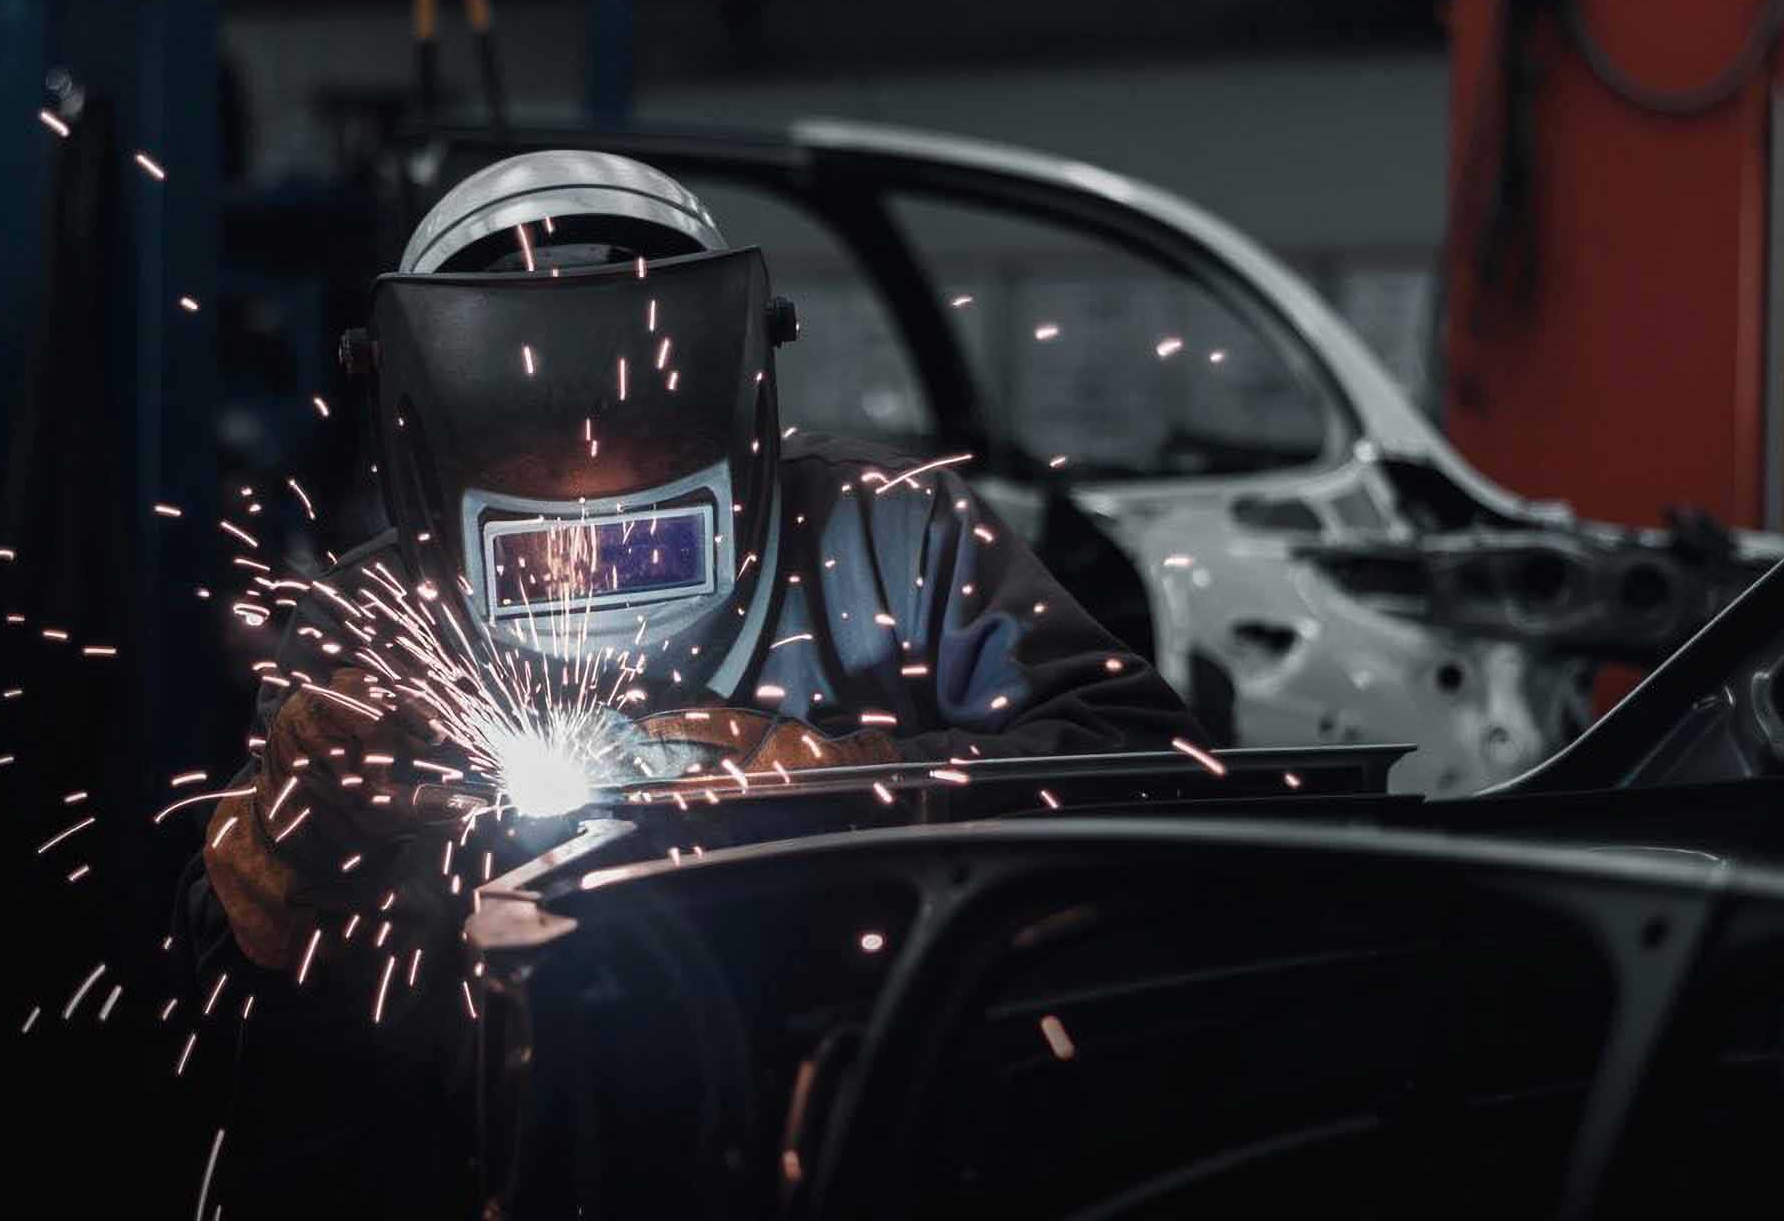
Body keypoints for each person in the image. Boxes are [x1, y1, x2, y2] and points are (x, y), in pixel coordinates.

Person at [177, 149, 1200, 1210]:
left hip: (850, 1128)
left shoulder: (889, 529)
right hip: (508, 1153)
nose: (587, 475)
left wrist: (862, 784)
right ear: (430, 402)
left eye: (628, 423)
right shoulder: (372, 621)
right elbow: (239, 1012)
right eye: (534, 434)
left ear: (726, 371)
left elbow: (1138, 757)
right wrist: (296, 843)